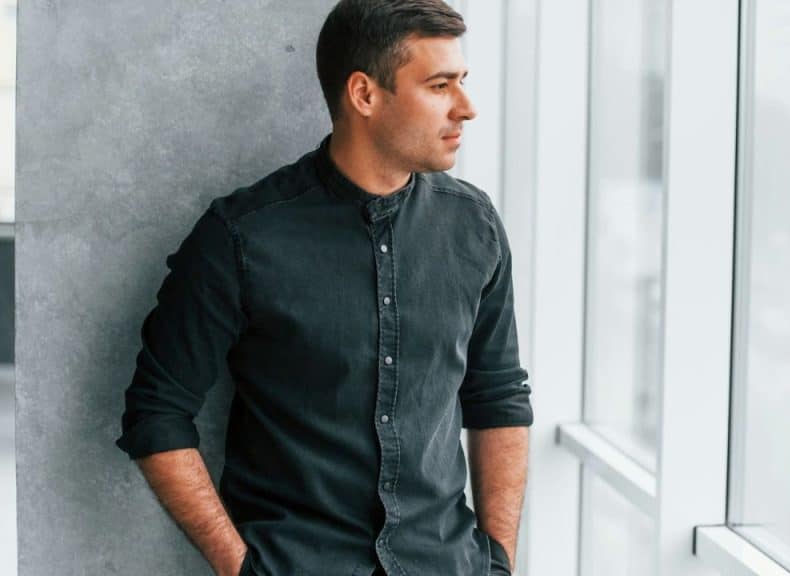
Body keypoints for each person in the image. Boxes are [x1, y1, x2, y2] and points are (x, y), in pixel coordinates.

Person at [114, 1, 532, 574]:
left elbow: (499, 398)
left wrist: (498, 562)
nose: (467, 107)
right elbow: (156, 412)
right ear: (364, 95)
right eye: (439, 86)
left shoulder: (475, 227)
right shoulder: (242, 237)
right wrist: (241, 566)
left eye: (462, 81)